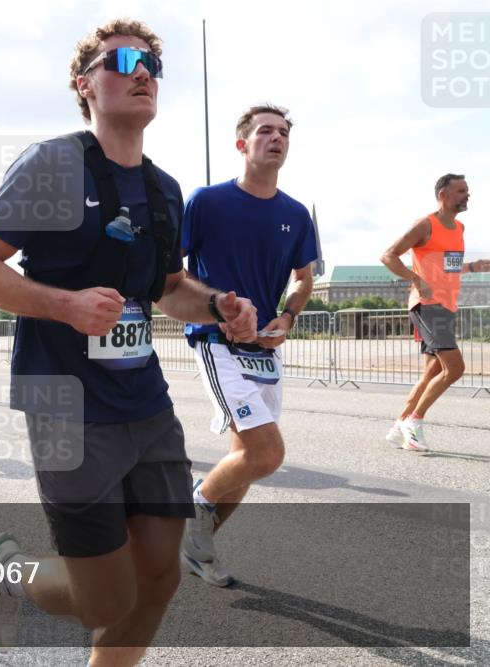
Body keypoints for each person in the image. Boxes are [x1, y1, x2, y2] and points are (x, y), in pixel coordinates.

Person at [0, 20, 256, 661]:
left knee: (161, 576)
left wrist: (219, 305)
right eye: (121, 59)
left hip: (144, 403)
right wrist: (64, 305)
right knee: (104, 599)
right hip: (66, 404)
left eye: (152, 62)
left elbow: (168, 287)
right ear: (85, 83)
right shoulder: (53, 163)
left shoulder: (163, 189)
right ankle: (9, 571)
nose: (141, 70)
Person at [180, 104, 318, 588]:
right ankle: (186, 514)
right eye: (265, 131)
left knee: (247, 460)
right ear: (242, 144)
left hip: (265, 350)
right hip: (216, 341)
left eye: (283, 132)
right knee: (267, 453)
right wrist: (216, 309)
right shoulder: (206, 201)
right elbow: (168, 272)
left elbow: (304, 279)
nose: (276, 138)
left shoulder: (296, 214)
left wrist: (286, 315)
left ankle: (196, 548)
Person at [381, 174, 490, 451]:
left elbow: (450, 267)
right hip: (428, 305)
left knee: (432, 371)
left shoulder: (459, 228)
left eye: (467, 191)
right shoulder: (425, 224)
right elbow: (389, 256)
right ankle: (414, 423)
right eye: (461, 191)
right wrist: (416, 279)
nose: (467, 195)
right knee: (455, 368)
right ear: (443, 195)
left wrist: (474, 267)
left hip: (447, 305)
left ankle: (400, 425)